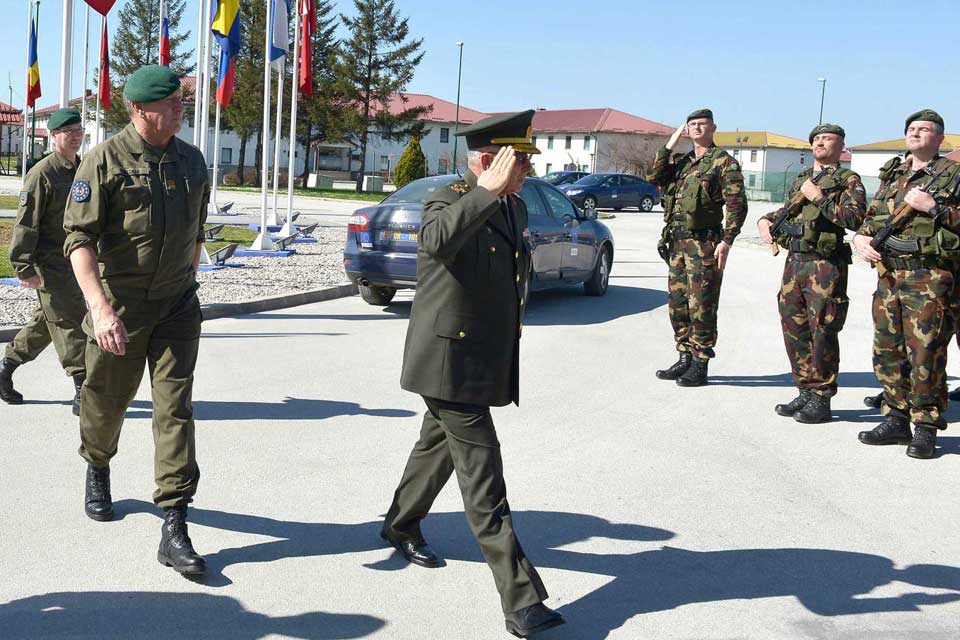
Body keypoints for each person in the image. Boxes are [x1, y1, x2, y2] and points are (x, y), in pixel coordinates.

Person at [380, 110, 564, 638]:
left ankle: (400, 523)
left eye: (527, 162)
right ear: (488, 161)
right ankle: (521, 599)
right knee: (485, 478)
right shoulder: (450, 199)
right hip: (446, 361)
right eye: (519, 162)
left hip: (479, 357)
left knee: (435, 448)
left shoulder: (516, 208)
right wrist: (484, 191)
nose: (526, 171)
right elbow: (436, 240)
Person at [63, 66, 210, 573]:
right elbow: (78, 241)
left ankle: (174, 520)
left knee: (176, 410)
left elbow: (197, 232)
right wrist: (99, 308)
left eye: (181, 100)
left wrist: (187, 281)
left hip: (176, 307)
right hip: (120, 306)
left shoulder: (192, 161)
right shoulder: (104, 161)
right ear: (140, 110)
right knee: (106, 404)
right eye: (171, 102)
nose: (180, 108)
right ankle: (97, 463)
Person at [853, 109, 960, 459]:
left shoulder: (953, 175)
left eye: (924, 129)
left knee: (925, 352)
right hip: (888, 275)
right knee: (888, 349)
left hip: (929, 278)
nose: (916, 133)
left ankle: (926, 427)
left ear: (940, 138)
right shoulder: (894, 174)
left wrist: (935, 208)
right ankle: (896, 417)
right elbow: (871, 221)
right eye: (911, 128)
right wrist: (862, 241)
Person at [757, 124, 867, 423]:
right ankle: (804, 388)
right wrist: (765, 221)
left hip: (825, 265)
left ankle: (821, 396)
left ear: (841, 145)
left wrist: (818, 197)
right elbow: (786, 213)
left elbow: (856, 218)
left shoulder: (848, 180)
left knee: (823, 329)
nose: (820, 142)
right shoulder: (801, 180)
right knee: (795, 328)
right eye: (816, 139)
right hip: (795, 262)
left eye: (827, 138)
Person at [648, 109, 748, 386]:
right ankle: (684, 357)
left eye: (702, 124)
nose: (696, 129)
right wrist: (670, 143)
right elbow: (653, 176)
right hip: (677, 243)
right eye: (691, 125)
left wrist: (727, 241)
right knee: (678, 304)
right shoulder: (681, 162)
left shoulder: (723, 163)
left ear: (713, 127)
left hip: (704, 243)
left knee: (701, 305)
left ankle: (700, 362)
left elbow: (737, 205)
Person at [1, 108, 87, 414]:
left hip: (77, 262)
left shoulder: (85, 169)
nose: (76, 136)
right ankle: (82, 387)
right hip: (50, 263)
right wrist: (23, 266)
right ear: (53, 135)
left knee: (44, 323)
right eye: (69, 132)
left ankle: (5, 368)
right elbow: (26, 224)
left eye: (79, 131)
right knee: (69, 320)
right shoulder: (43, 174)